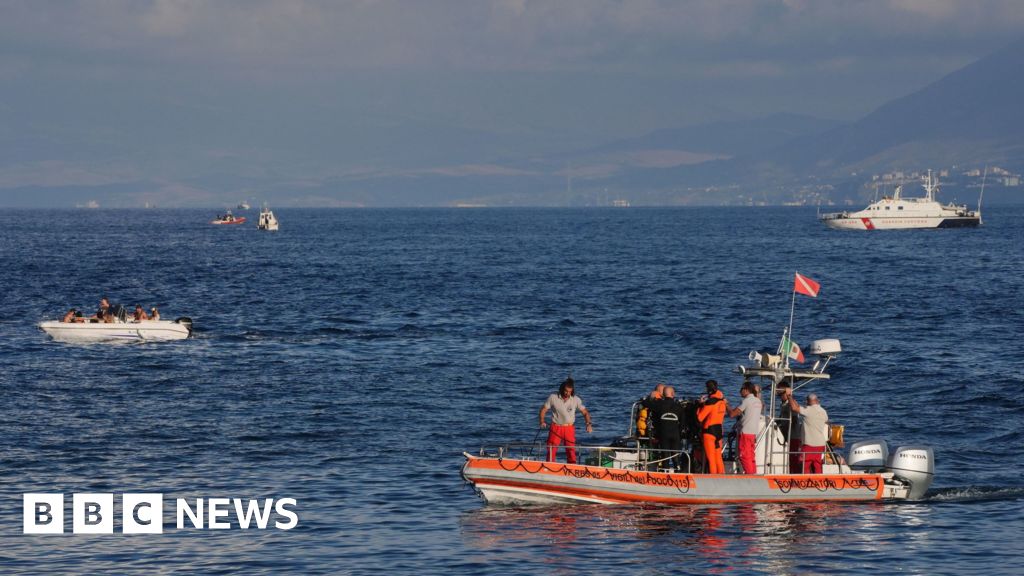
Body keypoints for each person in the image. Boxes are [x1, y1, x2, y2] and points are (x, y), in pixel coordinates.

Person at [539, 377, 593, 464]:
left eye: (569, 392)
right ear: (561, 389)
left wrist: (588, 424)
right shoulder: (553, 397)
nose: (567, 393)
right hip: (555, 428)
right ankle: (549, 467)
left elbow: (585, 413)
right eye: (566, 391)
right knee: (551, 450)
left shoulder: (576, 399)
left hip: (569, 428)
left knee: (571, 450)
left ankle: (572, 468)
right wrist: (542, 421)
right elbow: (543, 409)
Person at [642, 385, 685, 469]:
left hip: (663, 433)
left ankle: (665, 471)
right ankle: (678, 471)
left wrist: (650, 396)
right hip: (675, 434)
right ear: (673, 394)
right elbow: (683, 423)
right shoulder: (679, 406)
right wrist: (679, 433)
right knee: (675, 456)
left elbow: (645, 403)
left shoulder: (659, 404)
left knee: (665, 456)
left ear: (663, 395)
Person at [787, 392, 829, 473]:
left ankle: (805, 482)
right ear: (817, 400)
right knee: (817, 465)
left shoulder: (808, 410)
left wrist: (789, 396)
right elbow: (826, 421)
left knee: (804, 465)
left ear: (808, 401)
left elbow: (794, 408)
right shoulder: (823, 411)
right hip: (820, 444)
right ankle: (819, 482)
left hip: (810, 444)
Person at [727, 381, 763, 474]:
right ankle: (754, 475)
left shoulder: (746, 401)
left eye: (742, 389)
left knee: (744, 456)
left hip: (745, 433)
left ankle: (750, 477)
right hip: (753, 433)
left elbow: (732, 414)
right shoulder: (758, 401)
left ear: (746, 390)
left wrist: (726, 404)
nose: (740, 392)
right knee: (751, 456)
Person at [696, 379, 727, 474]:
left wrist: (700, 405)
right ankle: (722, 476)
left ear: (708, 389)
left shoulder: (711, 402)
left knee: (711, 459)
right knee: (718, 458)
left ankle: (713, 478)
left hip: (709, 432)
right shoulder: (722, 402)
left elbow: (700, 418)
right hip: (718, 432)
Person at [778, 382, 803, 473]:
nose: (780, 396)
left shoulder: (791, 403)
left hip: (793, 435)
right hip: (786, 435)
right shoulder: (783, 404)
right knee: (790, 458)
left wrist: (789, 428)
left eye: (781, 394)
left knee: (794, 458)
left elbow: (795, 417)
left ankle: (795, 476)